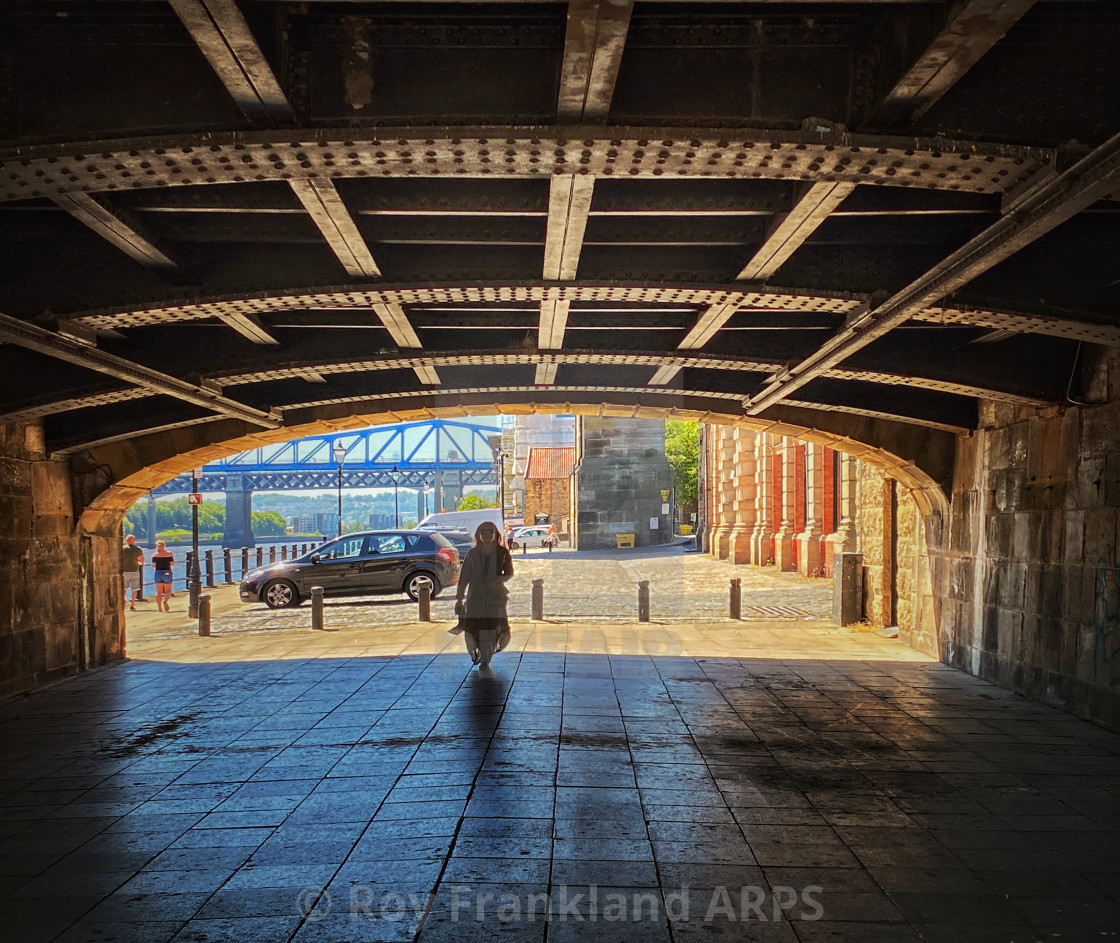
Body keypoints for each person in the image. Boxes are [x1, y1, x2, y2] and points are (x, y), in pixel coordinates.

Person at [454, 522, 513, 670]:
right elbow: (464, 577)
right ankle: (479, 653)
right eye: (483, 531)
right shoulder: (472, 554)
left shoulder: (502, 553)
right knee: (475, 626)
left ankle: (487, 656)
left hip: (496, 597)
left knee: (493, 626)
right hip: (475, 597)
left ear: (495, 534)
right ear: (479, 535)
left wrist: (498, 580)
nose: (487, 534)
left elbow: (509, 572)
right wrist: (459, 598)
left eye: (490, 531)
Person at [121, 534, 144, 611]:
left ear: (126, 540)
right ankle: (132, 605)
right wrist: (138, 562)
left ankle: (122, 604)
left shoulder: (123, 549)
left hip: (125, 571)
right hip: (135, 571)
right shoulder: (138, 549)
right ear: (134, 540)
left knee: (124, 589)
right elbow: (142, 560)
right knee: (134, 589)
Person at [151, 540, 175, 612]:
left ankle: (159, 608)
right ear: (164, 546)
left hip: (158, 572)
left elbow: (153, 565)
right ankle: (165, 601)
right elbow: (172, 563)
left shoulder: (155, 555)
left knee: (158, 592)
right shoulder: (169, 554)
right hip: (167, 571)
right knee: (168, 590)